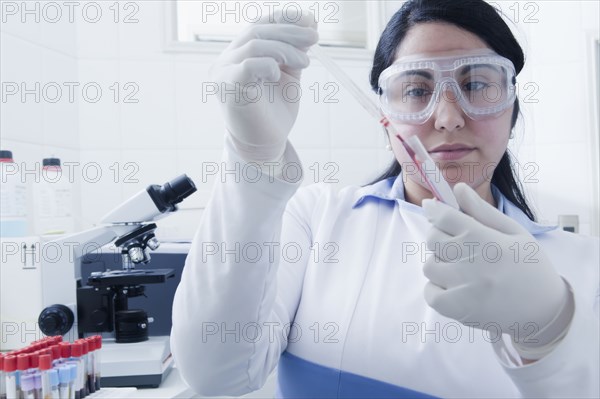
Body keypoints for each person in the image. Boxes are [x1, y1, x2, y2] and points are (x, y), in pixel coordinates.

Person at [171, 0, 600, 397]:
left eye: (476, 84)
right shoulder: (318, 219)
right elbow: (217, 372)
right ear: (385, 115)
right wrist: (252, 161)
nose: (448, 118)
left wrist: (549, 332)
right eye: (416, 91)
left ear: (512, 107)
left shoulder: (584, 266)